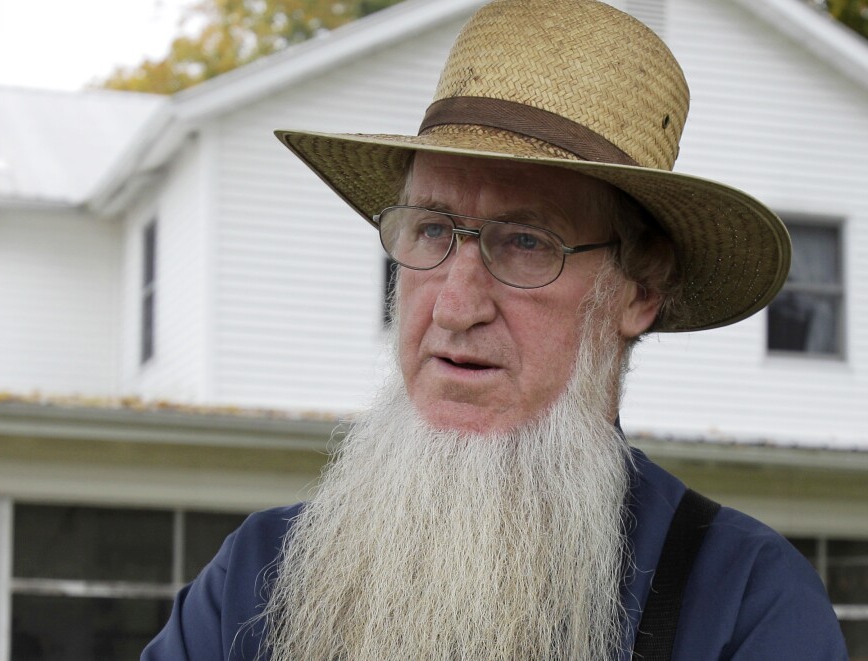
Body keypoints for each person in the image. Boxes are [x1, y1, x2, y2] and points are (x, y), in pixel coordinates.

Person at [143, 0, 848, 659]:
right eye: (430, 229)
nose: (454, 305)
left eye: (526, 243)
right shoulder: (255, 581)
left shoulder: (742, 602)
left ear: (640, 287)